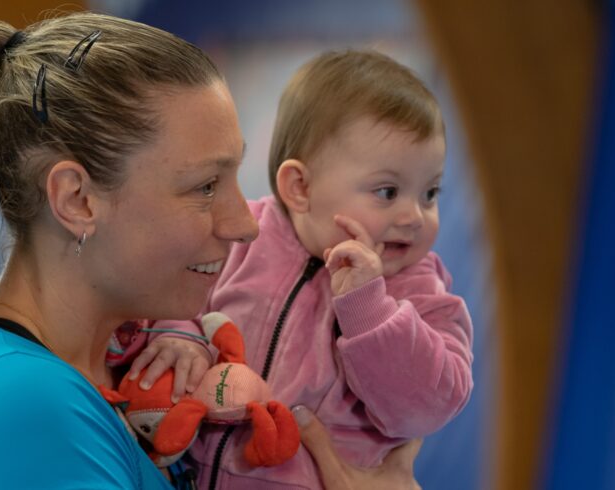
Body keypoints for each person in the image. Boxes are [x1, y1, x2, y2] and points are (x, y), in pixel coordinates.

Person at [0, 11, 425, 488]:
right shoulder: (16, 404)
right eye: (206, 186)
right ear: (77, 200)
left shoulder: (124, 369)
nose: (246, 223)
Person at [123, 49, 474, 489]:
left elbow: (429, 405)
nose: (414, 217)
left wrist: (371, 310)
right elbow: (173, 289)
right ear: (300, 187)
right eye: (388, 191)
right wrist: (180, 333)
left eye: (430, 193)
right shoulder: (240, 239)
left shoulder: (419, 289)